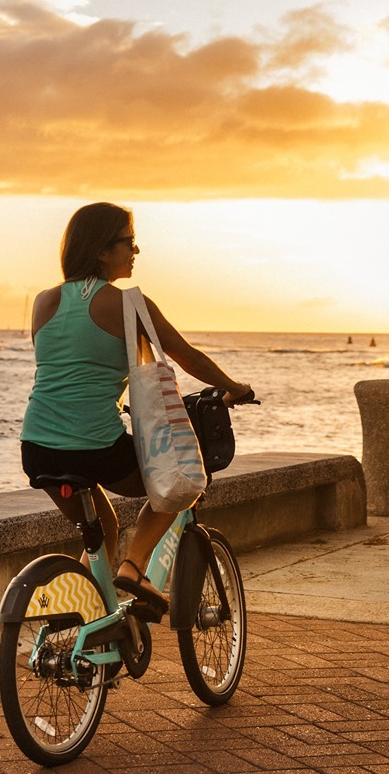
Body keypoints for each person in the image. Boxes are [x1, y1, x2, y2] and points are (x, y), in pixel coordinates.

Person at [20, 202, 253, 614]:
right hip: (95, 447)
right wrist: (235, 388)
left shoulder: (43, 301)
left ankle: (83, 621)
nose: (136, 251)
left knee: (103, 528)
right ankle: (134, 566)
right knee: (182, 484)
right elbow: (189, 358)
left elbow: (64, 372)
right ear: (101, 250)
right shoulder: (129, 304)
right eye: (129, 241)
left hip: (37, 447)